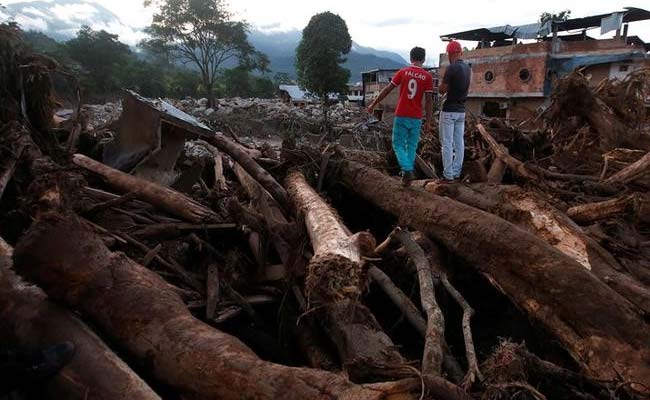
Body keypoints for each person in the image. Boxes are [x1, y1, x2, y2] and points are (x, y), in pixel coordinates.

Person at [367, 46, 434, 186]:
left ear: (411, 58)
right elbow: (429, 101)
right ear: (423, 59)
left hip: (402, 115)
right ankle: (406, 176)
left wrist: (373, 104)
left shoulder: (403, 72)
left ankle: (407, 170)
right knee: (411, 146)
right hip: (416, 117)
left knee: (398, 144)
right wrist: (428, 121)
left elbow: (387, 90)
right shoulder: (427, 77)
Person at [438, 40, 471, 183]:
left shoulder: (451, 68)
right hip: (461, 111)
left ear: (450, 53)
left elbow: (442, 89)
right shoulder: (467, 68)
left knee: (447, 143)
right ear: (460, 52)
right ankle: (457, 173)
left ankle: (448, 175)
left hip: (450, 109)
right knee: (459, 143)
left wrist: (440, 87)